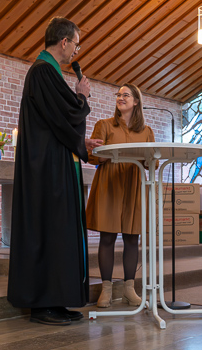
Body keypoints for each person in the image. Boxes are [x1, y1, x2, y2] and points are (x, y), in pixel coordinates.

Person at [7, 17, 102, 326]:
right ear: (64, 42)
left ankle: (57, 301)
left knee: (58, 232)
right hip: (46, 171)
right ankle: (43, 304)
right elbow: (69, 113)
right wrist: (83, 95)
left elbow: (58, 123)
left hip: (53, 163)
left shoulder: (46, 73)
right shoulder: (43, 72)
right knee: (48, 231)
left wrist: (81, 141)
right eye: (76, 44)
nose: (76, 50)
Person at [86, 83, 156, 308]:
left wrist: (151, 160)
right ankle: (106, 289)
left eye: (126, 95)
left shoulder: (146, 131)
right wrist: (102, 156)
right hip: (110, 183)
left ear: (136, 102)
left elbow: (150, 162)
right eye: (118, 94)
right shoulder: (104, 125)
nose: (121, 97)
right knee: (107, 237)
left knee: (131, 238)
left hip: (133, 184)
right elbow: (91, 156)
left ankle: (129, 289)